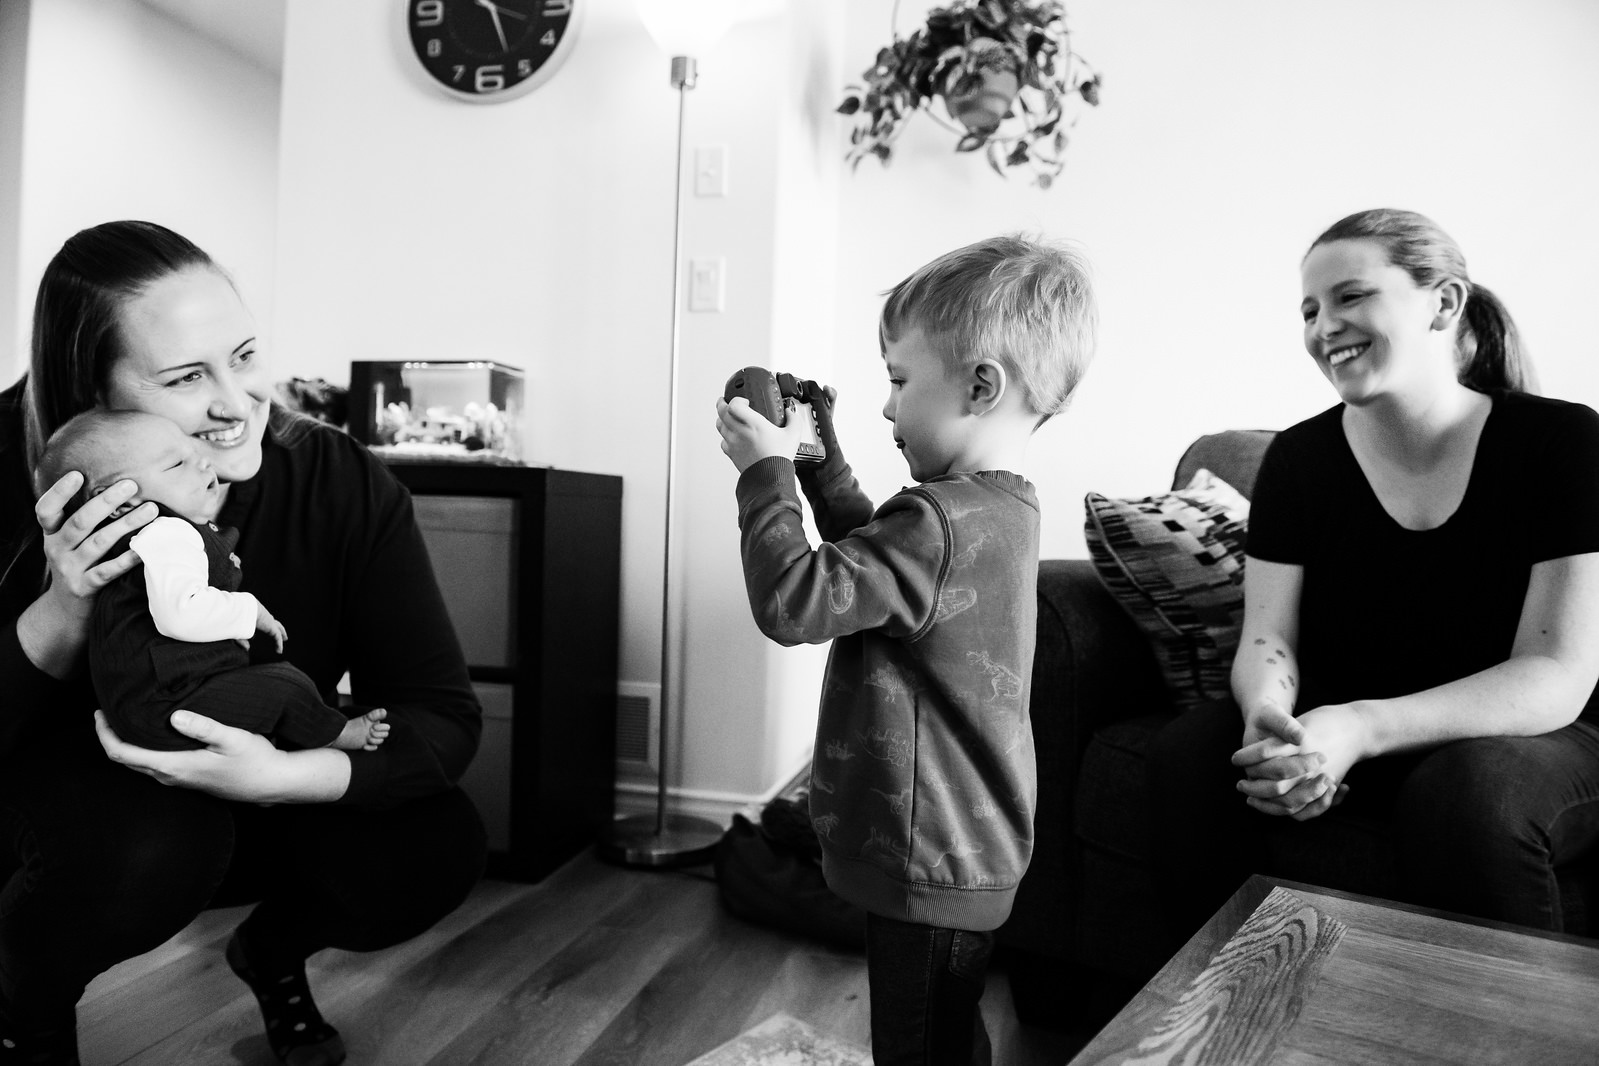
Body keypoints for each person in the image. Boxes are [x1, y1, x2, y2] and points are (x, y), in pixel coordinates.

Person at [0, 221, 486, 1066]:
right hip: (84, 808)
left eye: (244, 355)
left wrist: (289, 775)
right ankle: (26, 1010)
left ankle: (270, 953)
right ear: (92, 391)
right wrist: (62, 607)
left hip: (262, 753)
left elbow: (440, 714)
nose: (238, 401)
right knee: (147, 846)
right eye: (187, 377)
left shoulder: (333, 477)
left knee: (432, 845)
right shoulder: (24, 466)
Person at [1148, 208, 1599, 941]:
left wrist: (1360, 727)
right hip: (1342, 718)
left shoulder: (1562, 440)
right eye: (1309, 310)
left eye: (1350, 297)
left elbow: (1556, 672)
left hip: (1541, 733)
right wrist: (1274, 721)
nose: (1324, 326)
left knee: (1464, 792)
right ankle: (1214, 1027)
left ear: (1443, 303)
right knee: (1190, 756)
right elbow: (1268, 639)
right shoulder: (1296, 461)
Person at [715, 234, 1097, 1066]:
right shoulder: (993, 511)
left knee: (918, 1047)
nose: (887, 408)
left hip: (927, 849)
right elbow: (878, 574)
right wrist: (821, 470)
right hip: (965, 847)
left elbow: (796, 600)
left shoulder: (936, 520)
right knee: (945, 1030)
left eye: (897, 381)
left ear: (979, 385)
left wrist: (765, 475)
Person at [35, 408, 389, 754]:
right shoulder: (166, 533)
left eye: (195, 453)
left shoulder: (151, 536)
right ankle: (335, 734)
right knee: (286, 684)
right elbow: (180, 613)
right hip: (163, 702)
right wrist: (251, 612)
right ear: (120, 502)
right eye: (177, 464)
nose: (203, 463)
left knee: (263, 685)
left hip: (156, 696)